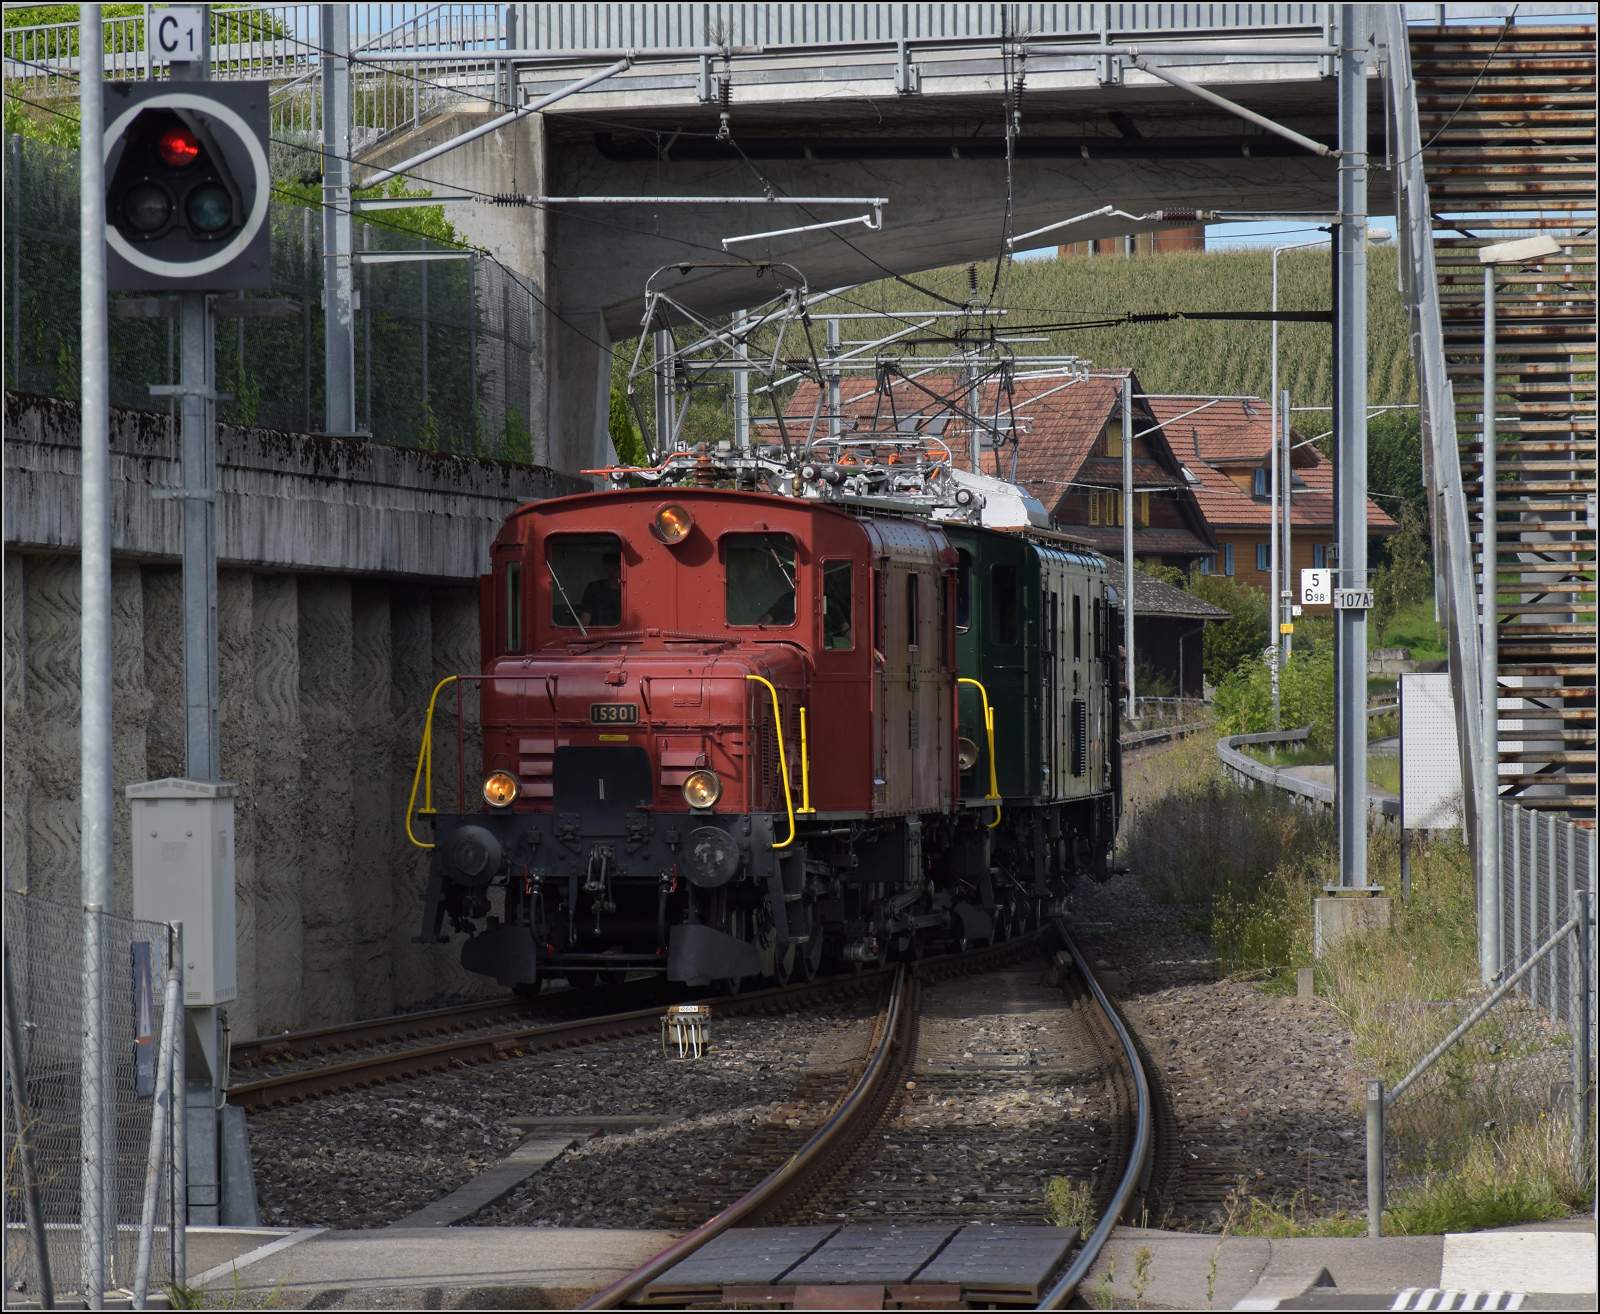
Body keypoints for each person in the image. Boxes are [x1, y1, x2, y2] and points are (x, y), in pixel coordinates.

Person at [579, 551, 622, 627]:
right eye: (617, 567)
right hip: (598, 636)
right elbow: (585, 621)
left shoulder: (630, 592)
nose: (620, 571)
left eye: (621, 568)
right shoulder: (594, 589)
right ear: (607, 567)